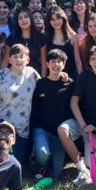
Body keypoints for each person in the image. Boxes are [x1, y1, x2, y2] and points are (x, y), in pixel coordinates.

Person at [57, 45, 96, 188]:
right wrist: (84, 125)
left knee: (95, 167)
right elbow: (73, 102)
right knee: (62, 129)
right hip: (81, 123)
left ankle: (88, 168)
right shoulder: (85, 76)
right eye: (93, 59)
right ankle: (81, 168)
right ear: (90, 62)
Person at [0, 43, 40, 164]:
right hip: (2, 125)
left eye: (21, 56)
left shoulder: (33, 74)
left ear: (28, 59)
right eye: (15, 57)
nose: (18, 60)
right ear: (9, 60)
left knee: (15, 162)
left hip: (22, 130)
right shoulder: (0, 76)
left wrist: (62, 76)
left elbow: (47, 86)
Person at [30, 49, 75, 180]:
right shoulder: (40, 84)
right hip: (42, 129)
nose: (56, 64)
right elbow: (34, 108)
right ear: (47, 64)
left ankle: (49, 161)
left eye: (59, 61)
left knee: (56, 174)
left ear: (64, 65)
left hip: (59, 133)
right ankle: (40, 165)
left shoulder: (70, 83)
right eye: (53, 61)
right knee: (42, 155)